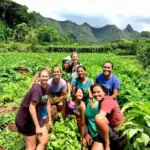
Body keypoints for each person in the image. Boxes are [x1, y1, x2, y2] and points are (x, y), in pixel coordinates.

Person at [15, 69, 52, 150]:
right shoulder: (37, 90)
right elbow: (31, 108)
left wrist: (49, 120)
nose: (45, 78)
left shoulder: (48, 87)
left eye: (46, 76)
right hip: (25, 120)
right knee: (31, 147)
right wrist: (37, 127)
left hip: (36, 117)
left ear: (49, 77)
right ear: (39, 77)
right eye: (43, 76)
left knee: (44, 141)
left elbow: (47, 103)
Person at [82, 84, 124, 150]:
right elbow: (89, 115)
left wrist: (107, 145)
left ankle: (107, 145)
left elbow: (100, 117)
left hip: (116, 131)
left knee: (98, 117)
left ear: (104, 92)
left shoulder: (107, 101)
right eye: (94, 92)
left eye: (98, 92)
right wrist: (86, 133)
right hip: (106, 130)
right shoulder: (97, 102)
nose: (96, 94)